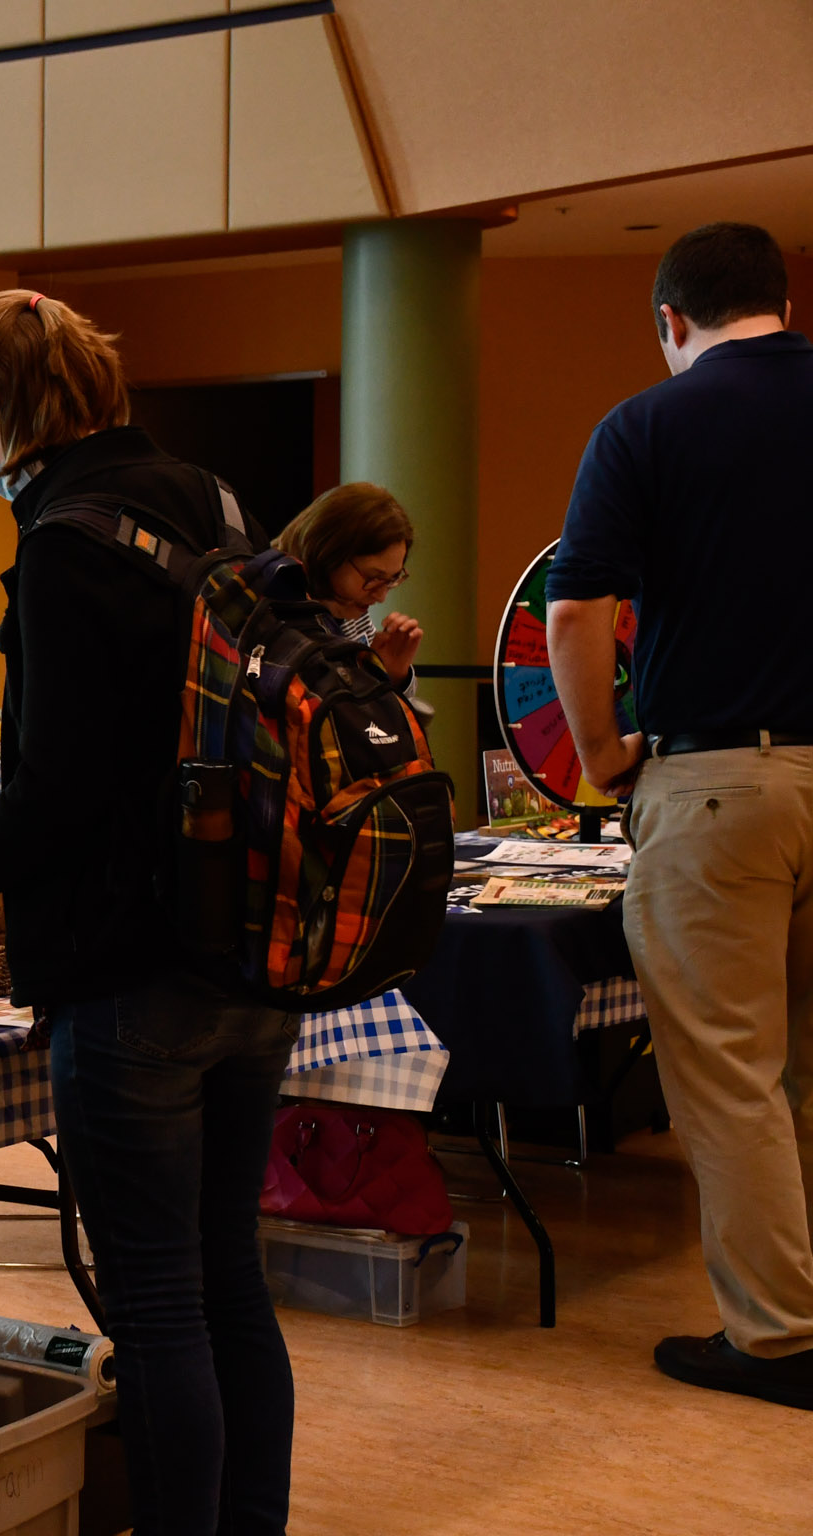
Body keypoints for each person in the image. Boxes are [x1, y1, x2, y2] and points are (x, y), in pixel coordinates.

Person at [0, 290, 295, 1533]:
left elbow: (57, 789)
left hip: (131, 975)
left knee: (157, 1306)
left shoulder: (67, 538)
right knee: (229, 1281)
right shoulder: (214, 503)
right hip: (249, 951)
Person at [547, 221, 813, 1412]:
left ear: (669, 321)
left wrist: (602, 754)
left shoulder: (644, 426)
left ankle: (776, 1338)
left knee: (729, 1076)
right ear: (781, 300)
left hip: (720, 781)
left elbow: (573, 612)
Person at [272, 481, 422, 691]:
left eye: (391, 580)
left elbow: (376, 715)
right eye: (373, 577)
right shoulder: (269, 615)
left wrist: (392, 675)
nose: (381, 597)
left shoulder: (350, 611)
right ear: (328, 554)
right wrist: (371, 677)